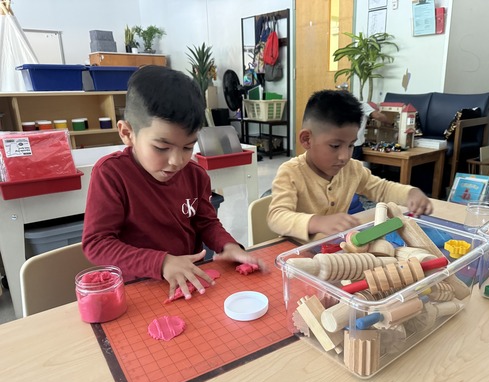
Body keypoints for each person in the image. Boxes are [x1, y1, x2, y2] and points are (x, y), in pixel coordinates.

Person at [82, 65, 264, 301]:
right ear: (127, 133)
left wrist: (227, 245)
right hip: (138, 291)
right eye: (161, 147)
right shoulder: (111, 174)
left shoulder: (195, 174)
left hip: (187, 283)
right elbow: (97, 244)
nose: (177, 161)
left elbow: (206, 222)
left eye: (188, 147)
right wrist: (161, 262)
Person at [267, 89, 433, 243]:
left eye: (351, 145)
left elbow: (381, 189)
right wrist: (316, 222)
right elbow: (277, 217)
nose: (345, 156)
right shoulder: (291, 172)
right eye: (335, 146)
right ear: (306, 140)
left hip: (333, 248)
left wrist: (410, 193)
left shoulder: (352, 169)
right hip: (295, 253)